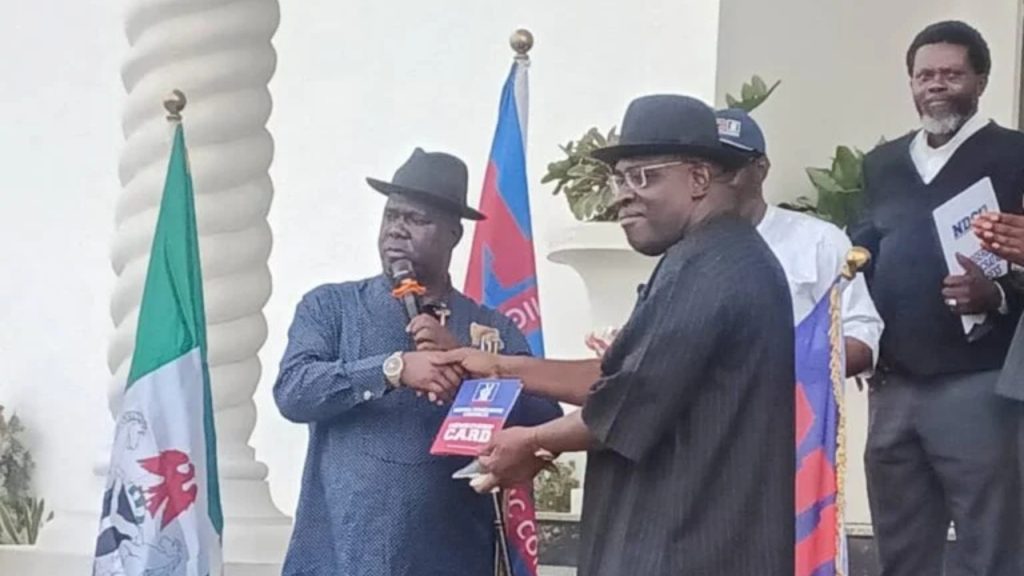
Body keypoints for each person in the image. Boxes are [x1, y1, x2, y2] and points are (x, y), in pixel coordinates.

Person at [443, 94, 796, 576]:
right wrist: (502, 366)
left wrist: (529, 441)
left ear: (697, 179)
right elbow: (624, 380)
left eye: (643, 176)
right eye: (619, 178)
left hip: (683, 549)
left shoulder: (707, 266)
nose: (622, 195)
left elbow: (626, 404)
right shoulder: (720, 256)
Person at [273, 148, 561, 576]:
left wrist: (468, 368)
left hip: (451, 557)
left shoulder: (490, 329)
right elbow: (294, 392)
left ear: (453, 235)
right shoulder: (331, 307)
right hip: (340, 555)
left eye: (417, 220)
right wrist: (393, 369)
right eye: (391, 216)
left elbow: (543, 421)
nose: (397, 231)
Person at [850, 21, 1024, 576]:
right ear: (911, 83)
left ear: (981, 80)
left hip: (978, 381)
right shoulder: (883, 164)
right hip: (894, 385)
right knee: (900, 539)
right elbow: (864, 253)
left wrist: (993, 293)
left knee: (989, 538)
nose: (937, 85)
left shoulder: (1014, 155)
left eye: (952, 73)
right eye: (925, 75)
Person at [717, 108, 883, 377]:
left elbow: (861, 337)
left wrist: (798, 366)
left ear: (761, 169)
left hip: (794, 411)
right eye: (702, 168)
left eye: (726, 168)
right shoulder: (685, 248)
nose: (713, 179)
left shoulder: (819, 241)